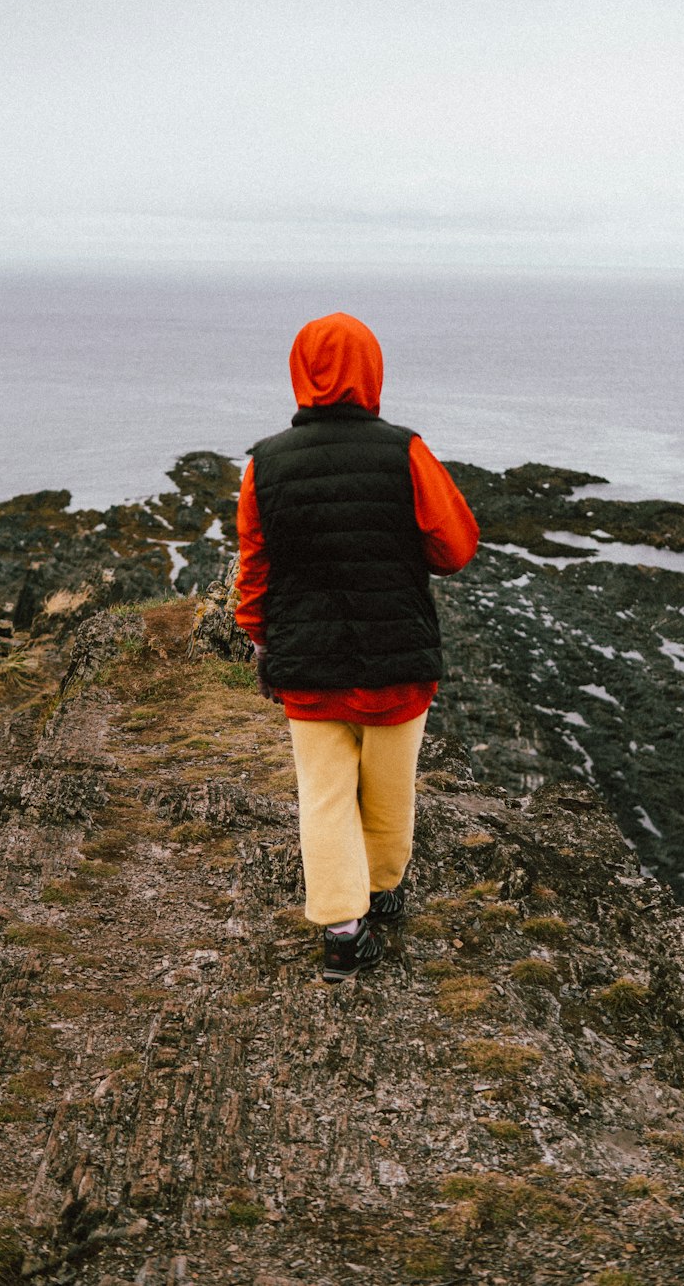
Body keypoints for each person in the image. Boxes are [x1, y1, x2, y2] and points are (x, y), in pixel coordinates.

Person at [234, 312, 479, 981]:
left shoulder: (265, 466)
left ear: (299, 371)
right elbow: (454, 548)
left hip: (307, 663)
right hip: (396, 656)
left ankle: (343, 935)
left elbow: (254, 569)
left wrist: (260, 639)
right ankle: (380, 888)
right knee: (389, 789)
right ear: (372, 371)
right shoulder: (406, 453)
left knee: (324, 794)